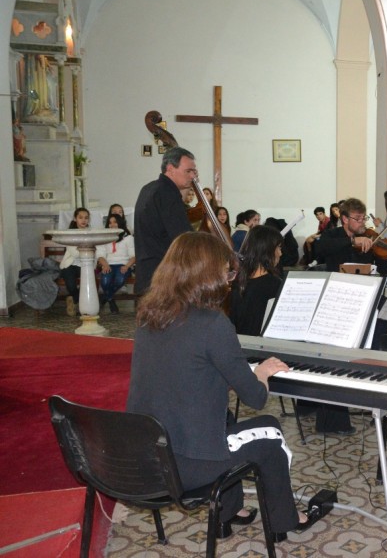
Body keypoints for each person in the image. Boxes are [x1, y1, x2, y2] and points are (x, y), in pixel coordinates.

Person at [126, 232, 313, 542]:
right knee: (270, 432)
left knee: (226, 421)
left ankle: (230, 511)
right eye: (226, 272)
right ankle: (285, 520)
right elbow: (254, 397)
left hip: (146, 458)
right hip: (186, 467)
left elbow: (183, 374)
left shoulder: (148, 319)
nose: (230, 279)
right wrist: (263, 372)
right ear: (207, 275)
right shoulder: (213, 325)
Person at [312, 198, 387, 433]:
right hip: (339, 302)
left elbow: (383, 267)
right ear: (345, 219)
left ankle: (369, 397)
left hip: (366, 301)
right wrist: (352, 240)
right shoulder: (333, 234)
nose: (361, 223)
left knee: (373, 346)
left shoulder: (371, 237)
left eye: (363, 218)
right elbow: (319, 250)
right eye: (357, 219)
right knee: (341, 354)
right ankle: (336, 413)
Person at [133, 146, 195, 295]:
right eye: (188, 171)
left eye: (194, 172)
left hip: (146, 273)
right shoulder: (168, 193)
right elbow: (183, 237)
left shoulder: (148, 188)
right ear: (170, 169)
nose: (192, 176)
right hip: (164, 277)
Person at [95, 214, 135, 314]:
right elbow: (100, 255)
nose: (112, 225)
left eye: (115, 222)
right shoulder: (104, 237)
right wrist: (105, 264)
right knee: (105, 281)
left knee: (119, 279)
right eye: (110, 222)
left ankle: (105, 297)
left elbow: (134, 256)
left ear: (120, 223)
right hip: (108, 264)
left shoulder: (128, 238)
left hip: (124, 264)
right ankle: (111, 300)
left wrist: (127, 266)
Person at [59, 207, 91, 316]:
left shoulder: (91, 232)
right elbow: (75, 253)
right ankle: (76, 301)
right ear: (75, 219)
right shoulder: (69, 233)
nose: (83, 220)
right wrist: (86, 248)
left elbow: (95, 250)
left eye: (86, 218)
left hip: (86, 263)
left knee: (87, 282)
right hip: (71, 264)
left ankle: (81, 304)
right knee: (71, 285)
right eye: (80, 217)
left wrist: (82, 248)